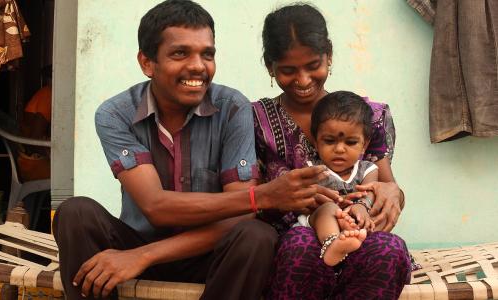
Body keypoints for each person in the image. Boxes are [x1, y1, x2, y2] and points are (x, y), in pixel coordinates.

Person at [52, 1, 338, 299]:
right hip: (135, 248)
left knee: (256, 235)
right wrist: (263, 196)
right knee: (75, 213)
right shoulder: (115, 114)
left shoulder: (232, 108)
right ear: (147, 62)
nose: (198, 66)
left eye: (207, 54)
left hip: (209, 253)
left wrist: (145, 256)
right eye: (180, 53)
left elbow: (240, 216)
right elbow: (156, 207)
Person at [253, 4, 411, 299]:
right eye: (288, 70)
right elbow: (251, 201)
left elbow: (388, 186)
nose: (303, 80)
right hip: (293, 246)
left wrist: (391, 194)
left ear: (329, 56)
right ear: (269, 66)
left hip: (357, 237)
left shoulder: (368, 117)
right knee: (299, 244)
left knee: (390, 250)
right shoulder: (256, 121)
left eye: (314, 65)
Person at [298, 91, 381, 267]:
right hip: (317, 223)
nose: (340, 149)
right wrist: (339, 205)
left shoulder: (367, 169)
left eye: (350, 142)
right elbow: (308, 198)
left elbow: (370, 192)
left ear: (364, 145)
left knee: (358, 214)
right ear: (316, 141)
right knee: (329, 208)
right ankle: (333, 244)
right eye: (329, 141)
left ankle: (348, 237)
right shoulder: (312, 169)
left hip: (352, 223)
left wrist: (362, 206)